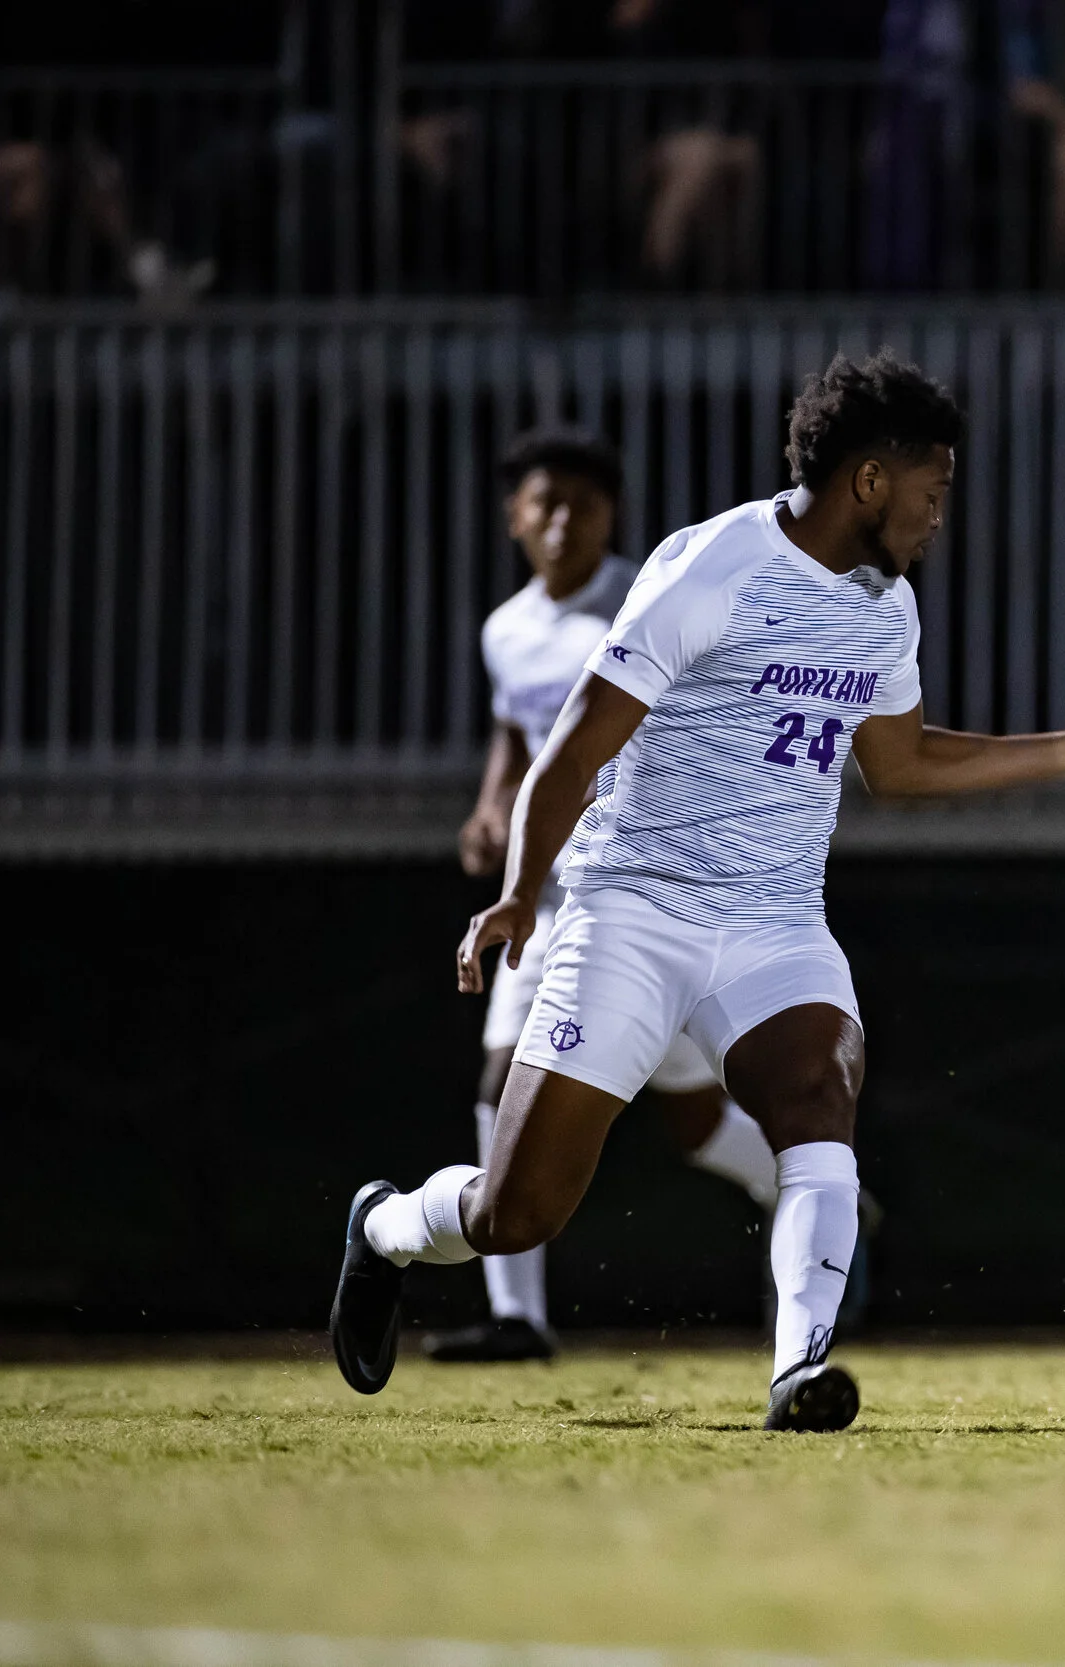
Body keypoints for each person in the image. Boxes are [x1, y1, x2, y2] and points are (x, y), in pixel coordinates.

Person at [332, 352, 1065, 1430]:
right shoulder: (711, 565)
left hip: (775, 920)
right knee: (517, 1210)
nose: (941, 516)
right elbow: (565, 754)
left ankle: (800, 1368)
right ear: (869, 482)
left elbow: (895, 765)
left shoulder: (885, 610)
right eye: (933, 490)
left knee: (817, 1099)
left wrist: (1062, 754)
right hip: (631, 910)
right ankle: (384, 1224)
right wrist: (521, 893)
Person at [425, 427, 785, 1364]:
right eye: (542, 503)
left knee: (696, 1120)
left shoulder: (640, 601)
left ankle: (812, 1191)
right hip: (547, 897)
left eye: (579, 504)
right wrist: (490, 807)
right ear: (514, 517)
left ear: (609, 515)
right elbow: (518, 731)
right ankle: (517, 1317)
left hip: (641, 890)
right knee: (500, 1076)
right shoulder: (506, 627)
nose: (559, 520)